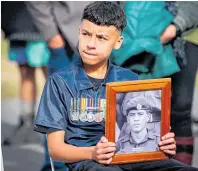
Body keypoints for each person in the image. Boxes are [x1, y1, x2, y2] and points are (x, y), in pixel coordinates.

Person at [33, 2, 197, 171]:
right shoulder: (59, 82)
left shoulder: (129, 78)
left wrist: (163, 145)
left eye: (101, 38)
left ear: (118, 42)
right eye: (86, 34)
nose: (91, 44)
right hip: (89, 162)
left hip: (131, 159)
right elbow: (55, 150)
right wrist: (93, 153)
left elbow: (142, 137)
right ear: (78, 33)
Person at [1, 1, 48, 145]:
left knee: (52, 75)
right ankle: (26, 123)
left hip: (43, 24)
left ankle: (58, 123)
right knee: (25, 75)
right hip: (16, 23)